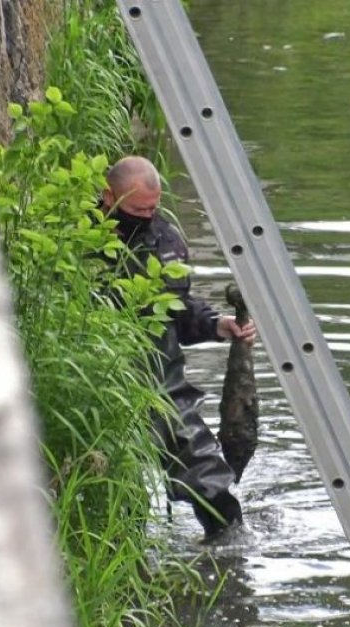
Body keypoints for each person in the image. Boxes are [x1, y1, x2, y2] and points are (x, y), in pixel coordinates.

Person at [102, 155, 257, 538]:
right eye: (138, 209)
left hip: (161, 374)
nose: (147, 216)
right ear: (109, 197)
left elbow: (180, 307)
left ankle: (228, 545)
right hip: (98, 371)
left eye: (153, 208)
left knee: (200, 463)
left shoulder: (165, 239)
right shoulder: (75, 235)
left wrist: (217, 325)